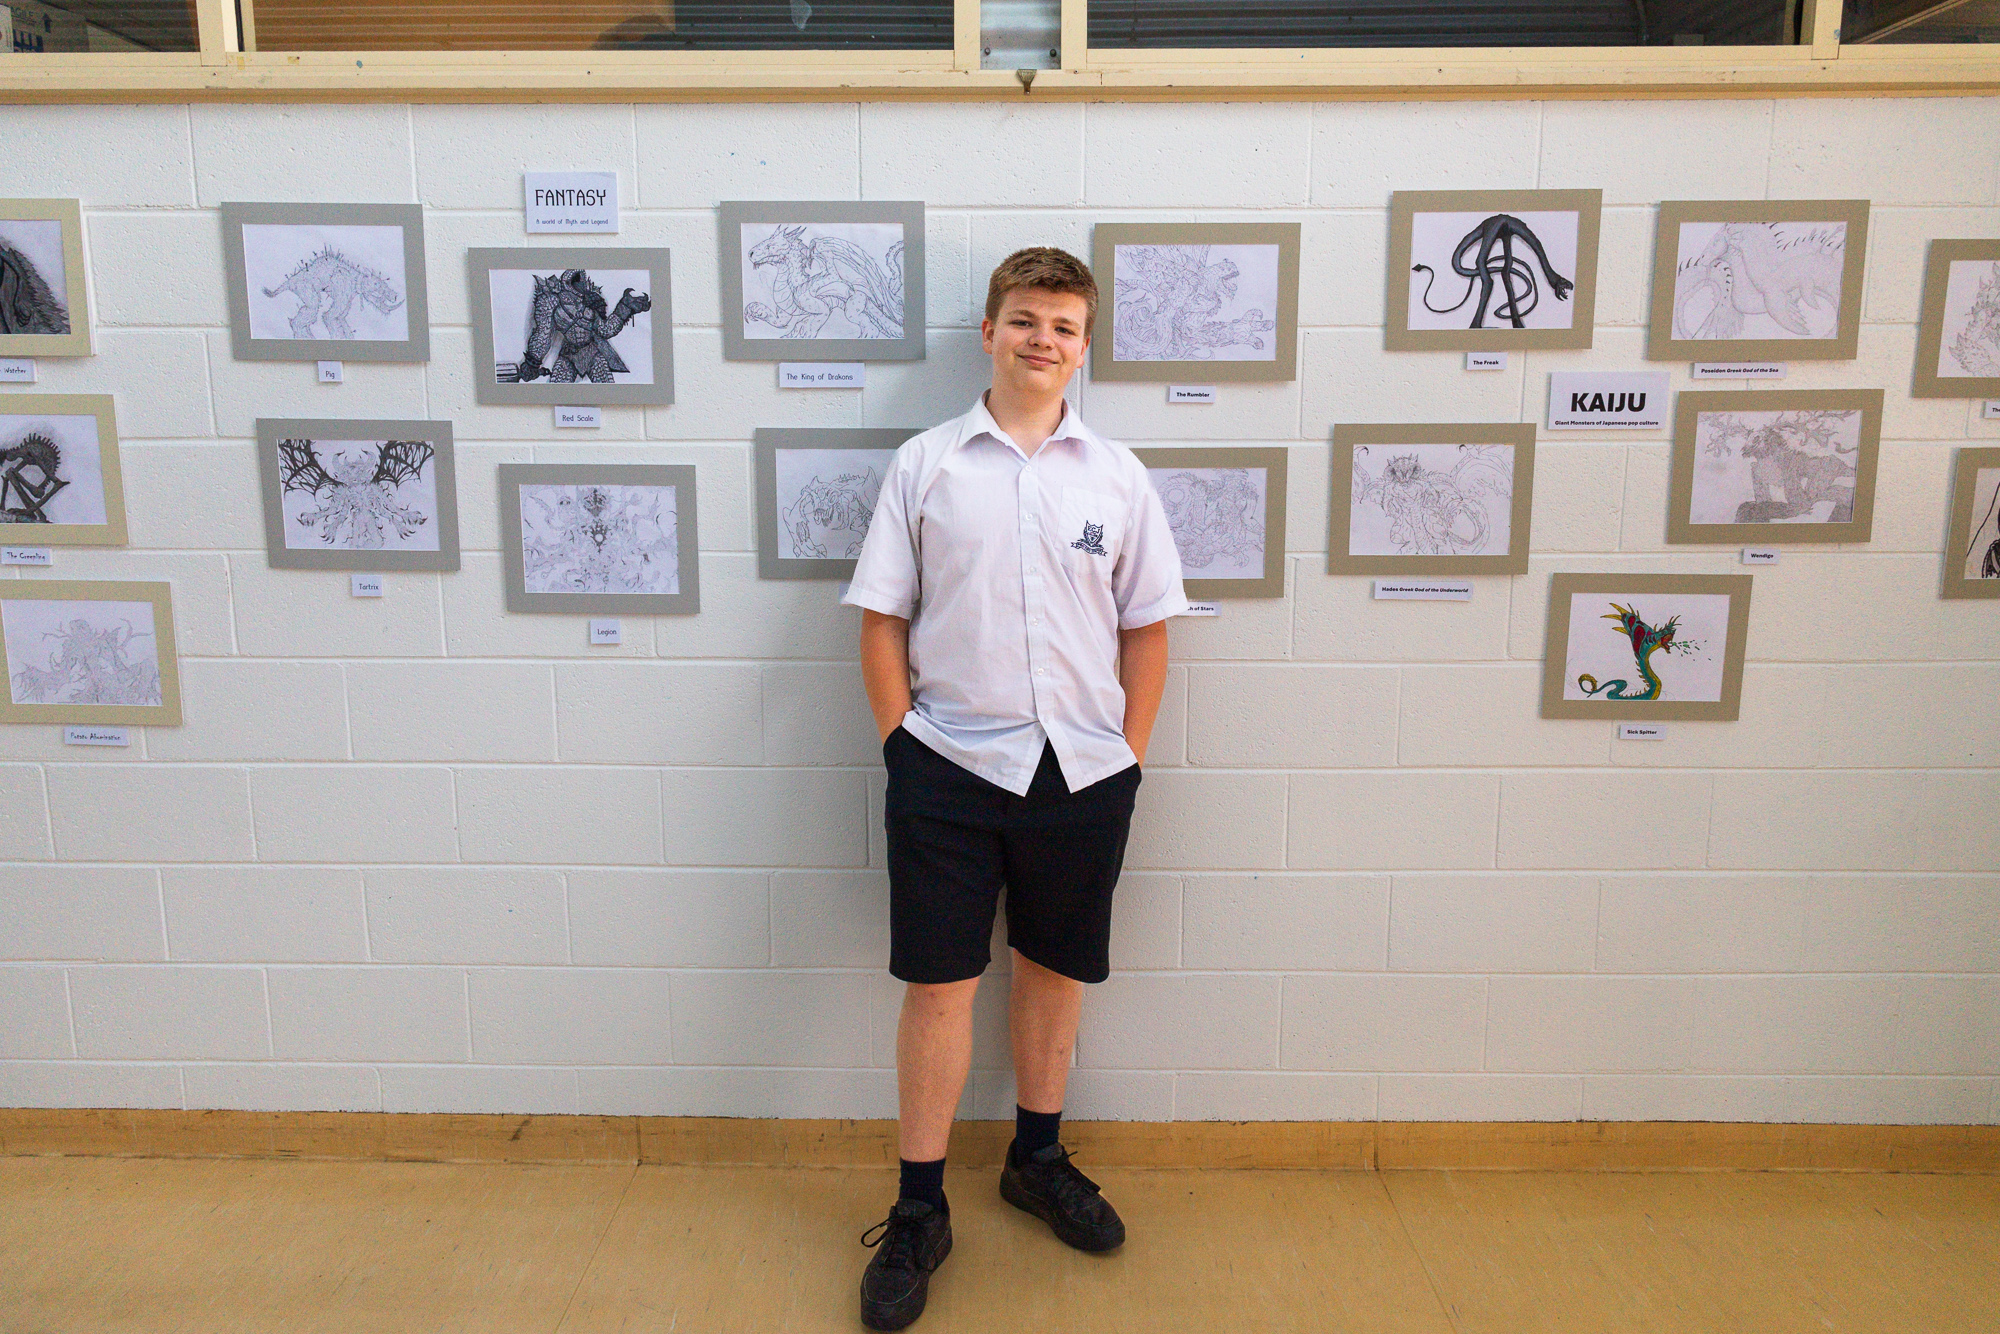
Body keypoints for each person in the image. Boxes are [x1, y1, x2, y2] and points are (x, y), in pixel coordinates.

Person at [839, 247, 1186, 1330]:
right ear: (989, 332)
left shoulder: (1115, 475)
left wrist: (1128, 755)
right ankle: (918, 1205)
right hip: (945, 766)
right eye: (1027, 320)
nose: (1044, 340)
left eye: (1064, 326)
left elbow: (1147, 629)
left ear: (1084, 348)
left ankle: (1035, 1159)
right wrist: (901, 746)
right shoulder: (927, 464)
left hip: (1082, 772)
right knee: (940, 985)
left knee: (1052, 970)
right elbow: (882, 619)